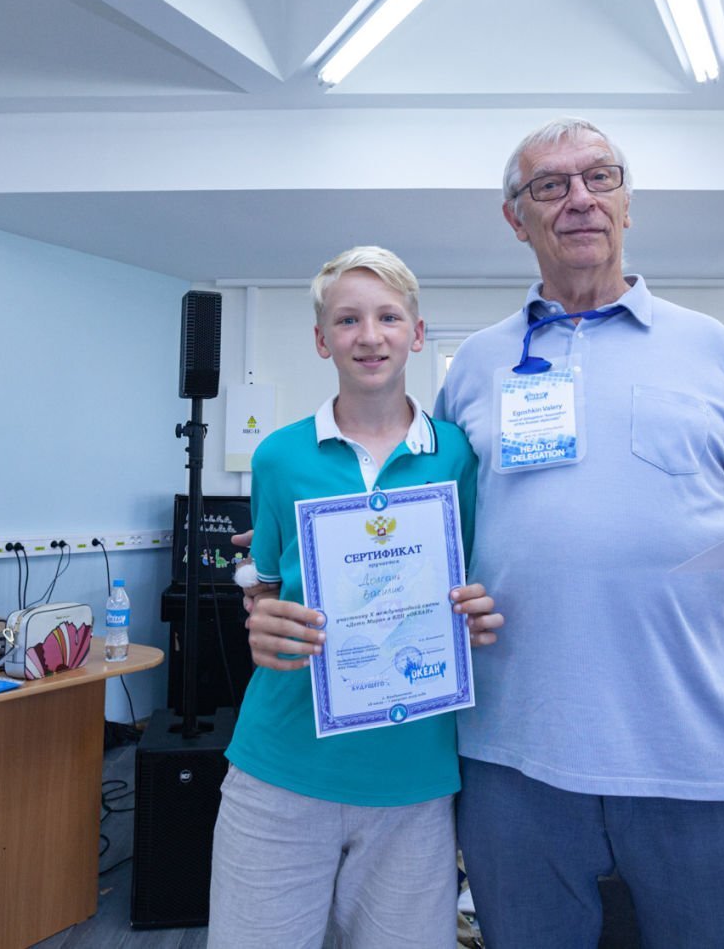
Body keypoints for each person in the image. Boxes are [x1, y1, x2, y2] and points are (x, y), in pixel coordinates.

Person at [432, 117, 724, 948]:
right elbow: (434, 525)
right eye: (550, 185)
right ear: (516, 218)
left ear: (627, 203)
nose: (580, 198)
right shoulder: (474, 362)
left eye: (600, 177)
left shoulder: (706, 345)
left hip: (692, 747)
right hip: (513, 750)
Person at [208, 246, 504, 949]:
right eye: (347, 320)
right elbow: (265, 584)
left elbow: (475, 577)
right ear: (322, 339)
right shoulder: (279, 456)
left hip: (414, 779)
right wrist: (262, 615)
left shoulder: (459, 455)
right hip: (282, 768)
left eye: (388, 317)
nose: (369, 336)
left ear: (417, 333)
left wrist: (478, 613)